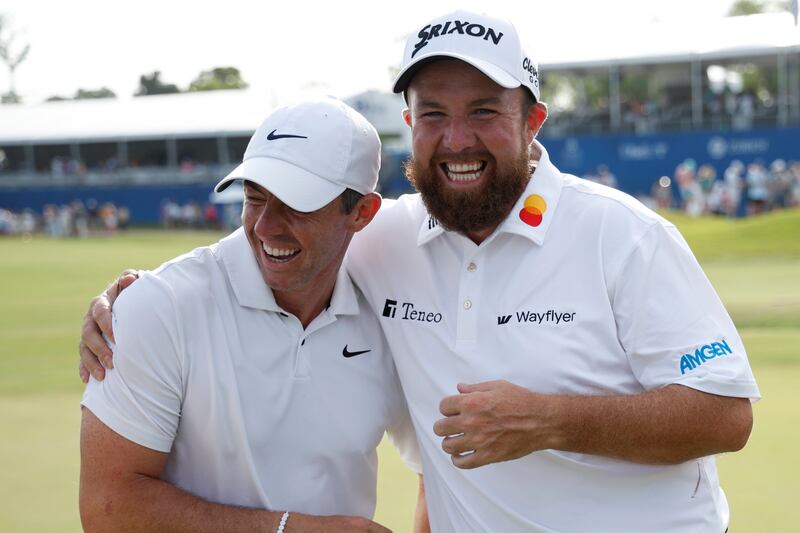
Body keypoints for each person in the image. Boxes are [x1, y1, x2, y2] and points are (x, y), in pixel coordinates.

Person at [82, 11, 759, 532]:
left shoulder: (623, 236)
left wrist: (550, 420)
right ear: (409, 121)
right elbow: (276, 236)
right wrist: (136, 297)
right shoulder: (385, 240)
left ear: (533, 120)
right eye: (433, 113)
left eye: (484, 111)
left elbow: (726, 416)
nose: (456, 139)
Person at [79, 97, 422, 533]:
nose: (265, 227)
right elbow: (107, 509)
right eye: (254, 198)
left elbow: (440, 470)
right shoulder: (158, 306)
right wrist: (287, 529)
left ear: (361, 212)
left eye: (296, 206)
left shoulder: (392, 312)